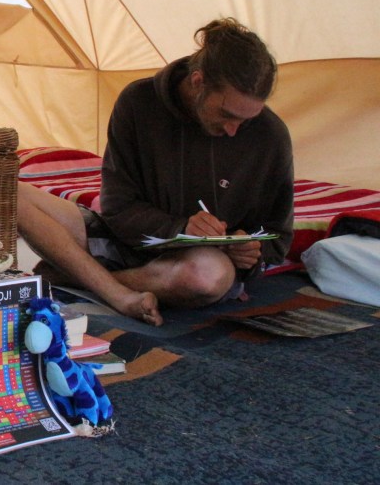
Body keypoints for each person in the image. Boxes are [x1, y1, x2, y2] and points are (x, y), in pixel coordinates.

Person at [19, 18, 294, 326]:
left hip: (193, 265)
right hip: (124, 242)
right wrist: (181, 228)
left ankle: (79, 277)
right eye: (227, 115)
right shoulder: (138, 102)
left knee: (207, 277)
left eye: (246, 121)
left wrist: (250, 250)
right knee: (9, 192)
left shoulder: (270, 136)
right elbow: (118, 209)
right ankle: (112, 288)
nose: (234, 130)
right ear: (198, 81)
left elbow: (277, 236)